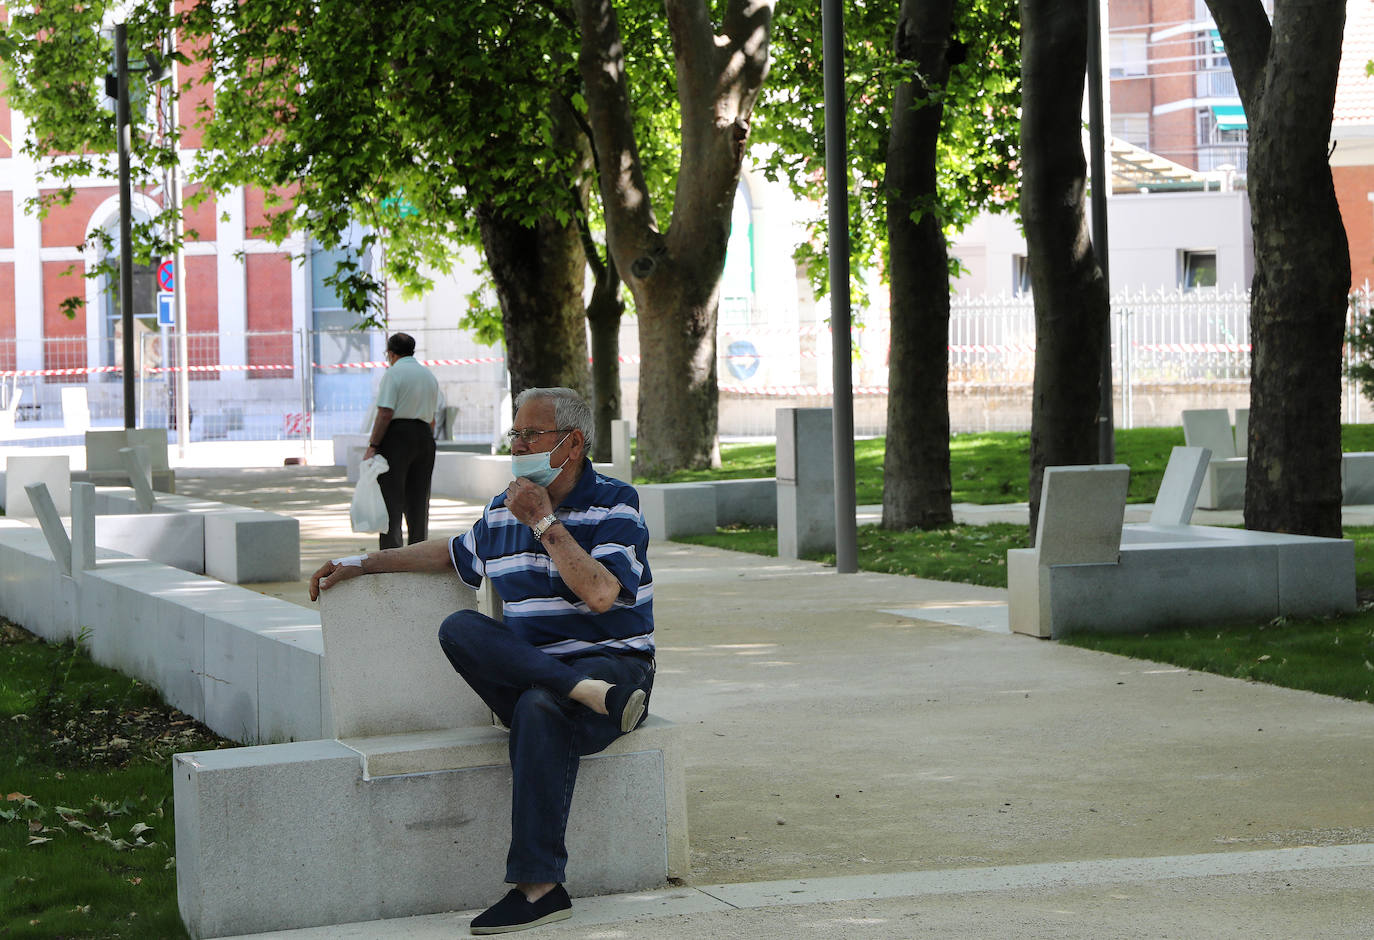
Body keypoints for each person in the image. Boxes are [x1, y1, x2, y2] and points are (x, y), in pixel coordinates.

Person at [310, 387, 654, 936]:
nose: (517, 445)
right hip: (565, 682)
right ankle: (580, 692)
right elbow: (450, 554)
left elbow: (601, 595)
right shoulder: (504, 508)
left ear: (573, 443)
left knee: (541, 707)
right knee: (460, 628)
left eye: (531, 434)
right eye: (514, 434)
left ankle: (539, 888)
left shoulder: (616, 503)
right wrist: (362, 562)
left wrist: (544, 526)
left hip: (616, 669)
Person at [364, 333, 440, 550]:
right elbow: (433, 417)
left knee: (391, 498)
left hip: (397, 437)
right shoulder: (428, 375)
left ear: (391, 353)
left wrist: (373, 445)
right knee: (419, 498)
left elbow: (385, 412)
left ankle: (391, 552)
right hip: (425, 436)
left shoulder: (393, 374)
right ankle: (418, 550)